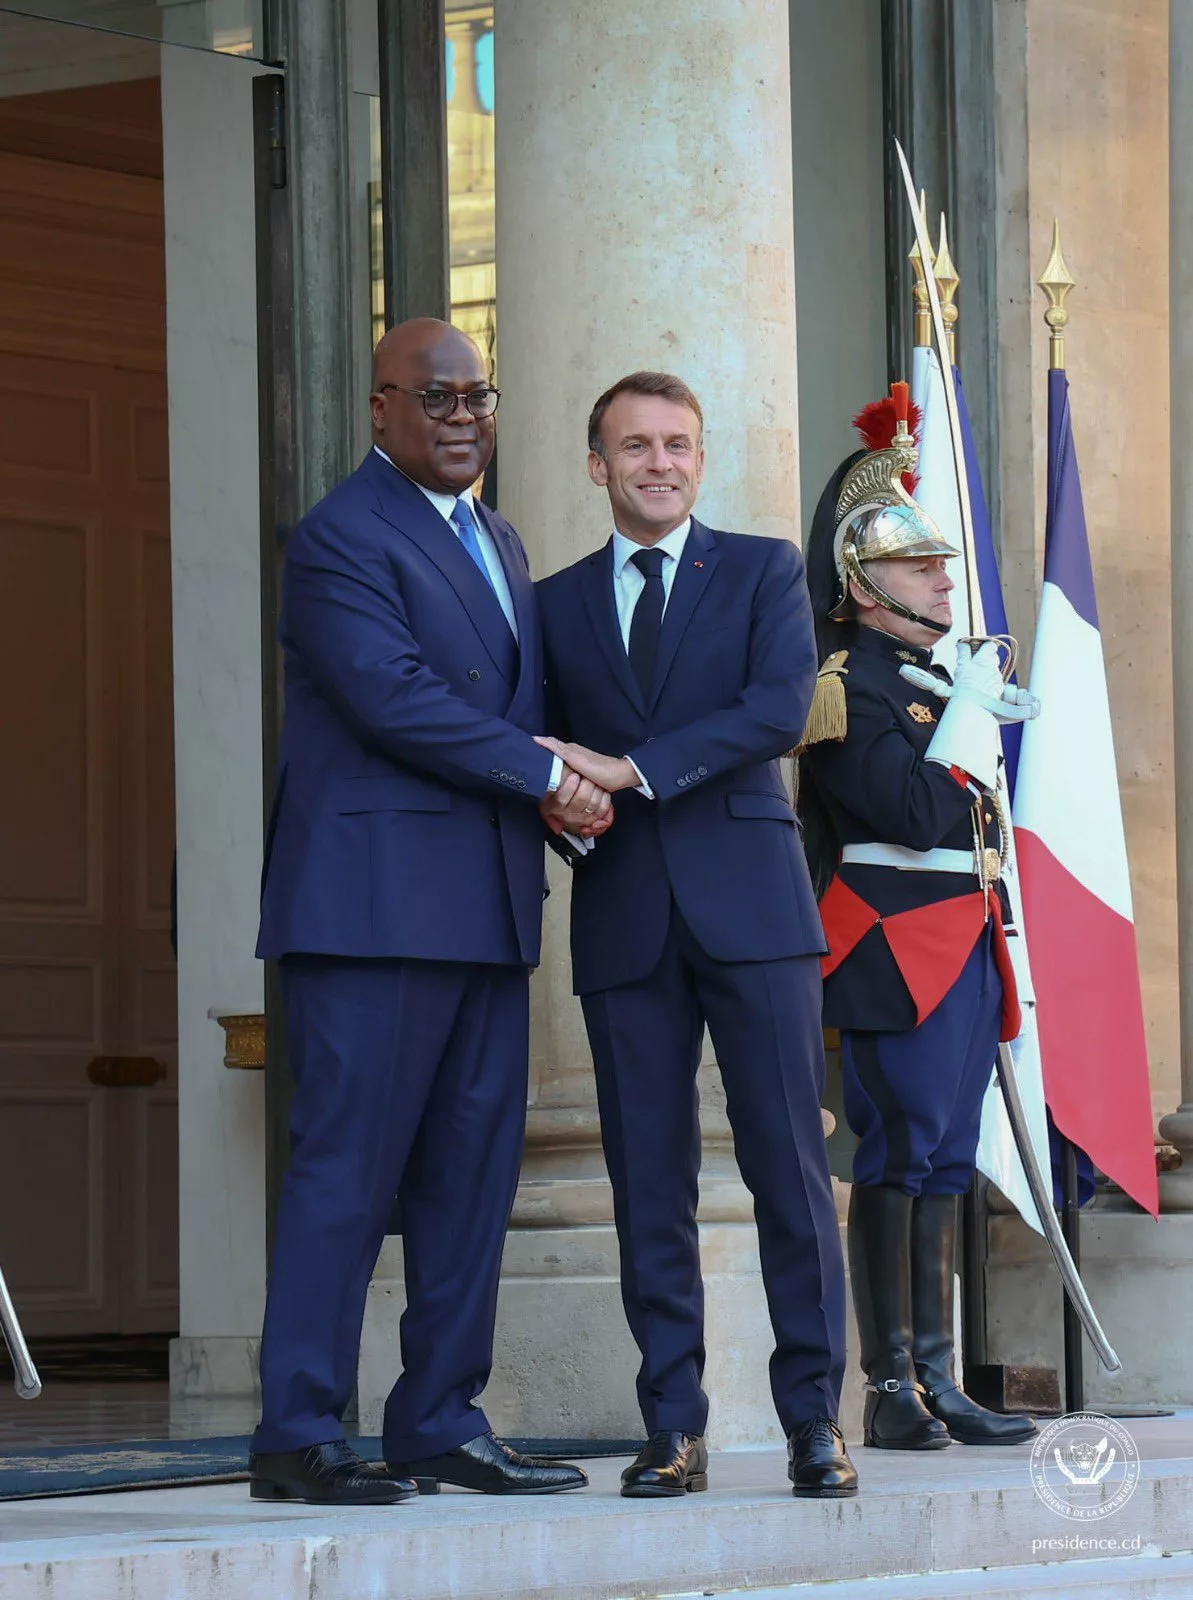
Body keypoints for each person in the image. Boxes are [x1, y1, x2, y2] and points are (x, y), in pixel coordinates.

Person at [249, 317, 606, 1505]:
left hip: (487, 904)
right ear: (380, 410)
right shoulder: (338, 537)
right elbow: (395, 700)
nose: (463, 420)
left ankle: (438, 1418)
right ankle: (299, 1429)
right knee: (346, 1175)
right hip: (370, 913)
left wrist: (561, 785)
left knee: (470, 1178)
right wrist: (541, 770)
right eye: (437, 399)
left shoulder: (499, 539)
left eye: (479, 399)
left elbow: (508, 705)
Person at [535, 370, 856, 1500]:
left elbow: (777, 708)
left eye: (675, 443)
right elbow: (540, 742)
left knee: (787, 1168)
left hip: (755, 913)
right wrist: (556, 795)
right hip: (622, 915)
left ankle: (814, 1419)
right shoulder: (555, 600)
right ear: (597, 464)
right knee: (646, 1183)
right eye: (634, 446)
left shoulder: (764, 568)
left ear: (699, 459)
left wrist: (630, 770)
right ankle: (672, 1424)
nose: (657, 462)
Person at [796, 386, 1037, 1450]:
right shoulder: (852, 681)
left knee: (942, 1158)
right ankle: (887, 1386)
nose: (943, 576)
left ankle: (936, 1379)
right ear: (861, 584)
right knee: (896, 1153)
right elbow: (900, 807)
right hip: (894, 938)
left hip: (961, 931)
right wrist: (966, 722)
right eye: (919, 564)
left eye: (941, 563)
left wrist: (968, 707)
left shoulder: (936, 682)